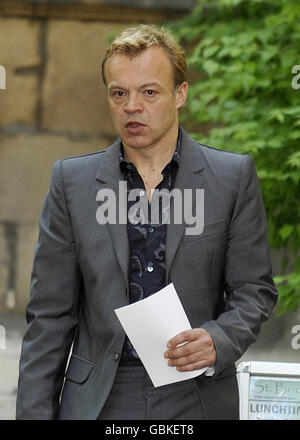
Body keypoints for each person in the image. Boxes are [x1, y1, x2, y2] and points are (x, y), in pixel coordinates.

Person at [16, 24, 278, 420]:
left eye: (149, 92)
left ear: (181, 94)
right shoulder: (72, 183)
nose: (131, 106)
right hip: (101, 397)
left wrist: (218, 340)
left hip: (196, 391)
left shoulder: (231, 178)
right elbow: (49, 318)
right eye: (119, 93)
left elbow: (254, 289)